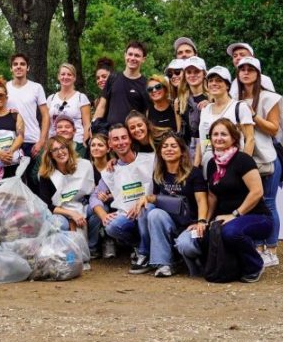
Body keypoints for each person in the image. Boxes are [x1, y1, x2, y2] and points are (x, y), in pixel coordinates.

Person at [176, 118, 272, 283]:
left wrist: (235, 215)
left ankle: (255, 265)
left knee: (230, 233)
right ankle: (225, 268)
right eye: (215, 134)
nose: (219, 138)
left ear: (234, 138)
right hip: (226, 218)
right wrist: (204, 221)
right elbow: (212, 196)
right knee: (204, 236)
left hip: (257, 217)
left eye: (223, 134)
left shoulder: (243, 160)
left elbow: (257, 192)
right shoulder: (213, 163)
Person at [135, 133, 208, 277]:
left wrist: (201, 221)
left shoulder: (194, 173)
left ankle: (195, 260)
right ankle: (164, 264)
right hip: (170, 221)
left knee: (186, 246)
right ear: (160, 152)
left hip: (190, 224)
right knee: (152, 212)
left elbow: (202, 200)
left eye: (173, 146)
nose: (169, 149)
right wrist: (145, 199)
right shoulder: (159, 174)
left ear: (182, 151)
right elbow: (157, 198)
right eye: (165, 146)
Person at [236, 57, 283, 267]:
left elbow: (274, 128)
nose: (246, 73)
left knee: (269, 202)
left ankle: (272, 249)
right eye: (242, 69)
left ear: (258, 73)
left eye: (250, 69)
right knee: (252, 202)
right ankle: (256, 248)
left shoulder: (269, 97)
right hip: (243, 157)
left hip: (267, 157)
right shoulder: (233, 98)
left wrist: (252, 115)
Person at [89, 123, 155, 271]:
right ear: (110, 144)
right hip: (127, 216)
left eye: (124, 138)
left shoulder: (148, 160)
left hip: (148, 209)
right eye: (116, 139)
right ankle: (138, 245)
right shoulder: (110, 170)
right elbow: (94, 197)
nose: (121, 142)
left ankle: (144, 255)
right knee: (111, 226)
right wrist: (103, 215)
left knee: (146, 209)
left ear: (130, 140)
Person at [196, 66, 254, 170]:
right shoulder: (205, 109)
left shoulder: (240, 107)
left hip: (233, 168)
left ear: (227, 85)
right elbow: (202, 140)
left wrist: (243, 168)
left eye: (219, 81)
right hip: (207, 166)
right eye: (211, 81)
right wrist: (196, 168)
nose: (214, 83)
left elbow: (250, 139)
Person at [37, 135, 95, 235]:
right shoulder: (46, 175)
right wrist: (72, 214)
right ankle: (66, 246)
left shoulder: (83, 165)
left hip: (82, 205)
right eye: (55, 150)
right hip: (61, 211)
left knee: (100, 209)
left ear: (68, 149)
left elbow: (91, 193)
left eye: (63, 147)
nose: (60, 152)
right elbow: (46, 205)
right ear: (50, 155)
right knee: (57, 223)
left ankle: (93, 246)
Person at [6, 53, 50, 177]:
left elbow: (45, 115)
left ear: (28, 67)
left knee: (34, 181)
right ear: (11, 68)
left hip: (32, 142)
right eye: (15, 64)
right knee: (14, 181)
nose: (19, 67)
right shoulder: (5, 88)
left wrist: (41, 141)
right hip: (11, 142)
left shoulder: (36, 88)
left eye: (22, 64)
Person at [93, 41, 150, 127]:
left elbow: (147, 114)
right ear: (125, 55)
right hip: (111, 133)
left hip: (132, 135)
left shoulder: (146, 84)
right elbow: (102, 106)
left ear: (143, 59)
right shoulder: (113, 78)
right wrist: (93, 125)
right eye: (130, 54)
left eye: (137, 55)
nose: (132, 58)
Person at [86, 133, 117, 258]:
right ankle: (92, 246)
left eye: (100, 145)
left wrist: (111, 196)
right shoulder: (85, 168)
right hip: (89, 204)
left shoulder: (114, 167)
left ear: (108, 148)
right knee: (101, 208)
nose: (96, 148)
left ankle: (109, 240)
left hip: (114, 203)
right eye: (93, 145)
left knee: (107, 206)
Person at [47, 63, 92, 148]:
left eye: (69, 74)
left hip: (76, 142)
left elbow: (87, 124)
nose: (66, 77)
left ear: (74, 78)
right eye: (63, 74)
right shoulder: (51, 98)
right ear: (58, 77)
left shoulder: (81, 97)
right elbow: (47, 123)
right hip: (54, 142)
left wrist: (85, 143)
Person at [176, 57, 209, 159]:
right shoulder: (179, 101)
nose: (192, 75)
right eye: (189, 72)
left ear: (204, 74)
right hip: (187, 151)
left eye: (196, 71)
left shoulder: (211, 97)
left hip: (208, 147)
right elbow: (179, 131)